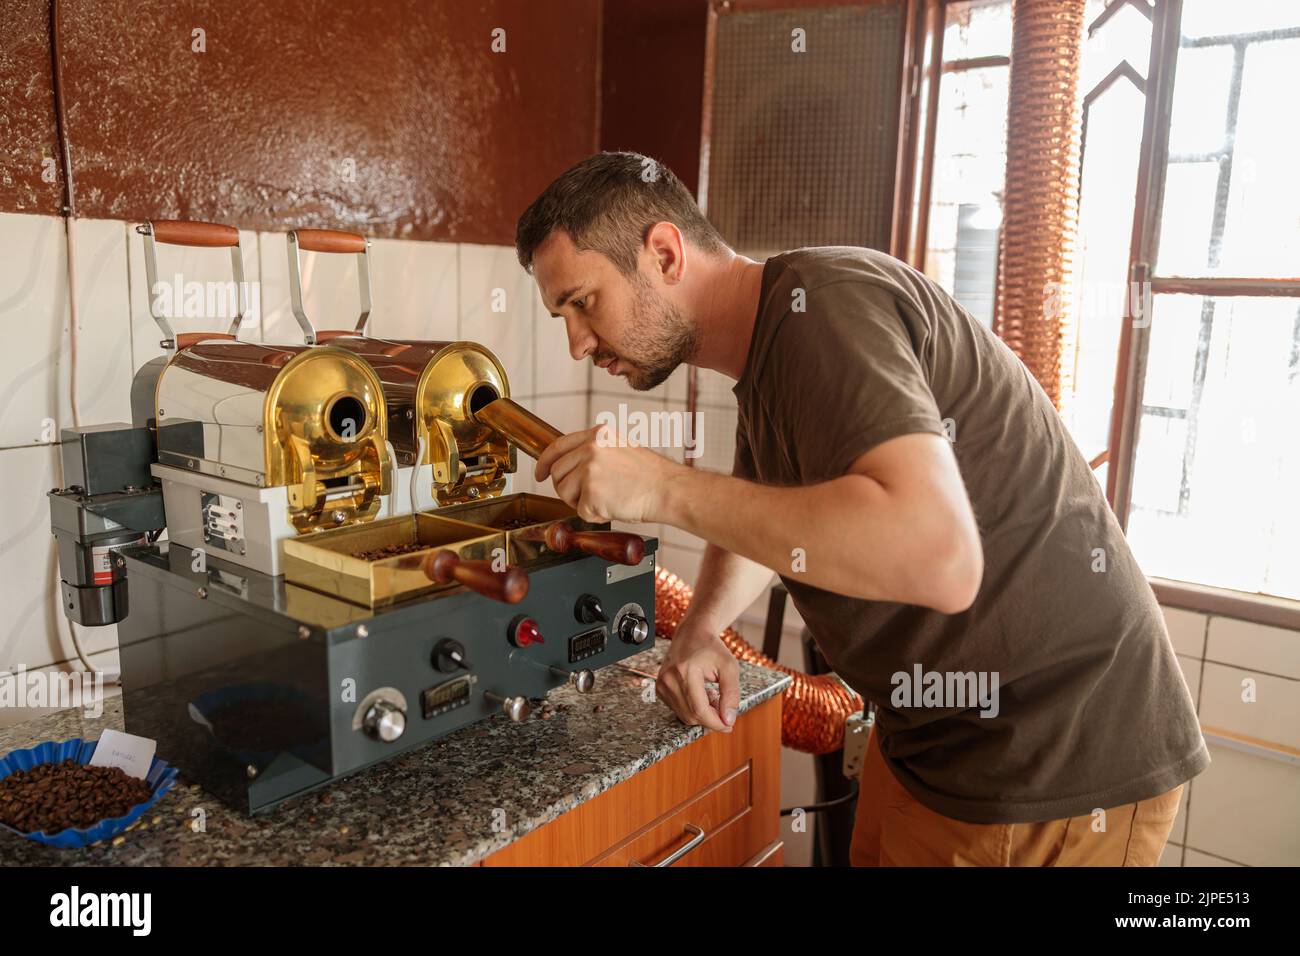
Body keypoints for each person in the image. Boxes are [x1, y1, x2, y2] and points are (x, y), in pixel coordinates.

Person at [514, 151, 1208, 866]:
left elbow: (940, 558)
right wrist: (700, 630)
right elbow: (764, 516)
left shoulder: (824, 307)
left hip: (1051, 762)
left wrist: (661, 487)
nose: (577, 344)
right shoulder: (771, 351)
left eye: (583, 302)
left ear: (663, 253)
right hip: (930, 744)